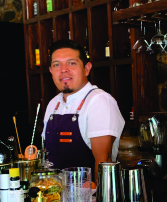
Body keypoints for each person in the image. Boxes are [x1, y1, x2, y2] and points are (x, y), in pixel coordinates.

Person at [42, 39, 125, 174]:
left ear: (87, 69)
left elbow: (104, 162)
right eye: (57, 65)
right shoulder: (53, 104)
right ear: (51, 71)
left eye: (72, 63)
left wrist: (95, 193)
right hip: (54, 191)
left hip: (88, 193)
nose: (64, 70)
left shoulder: (99, 101)